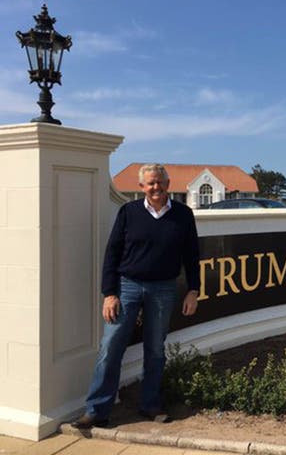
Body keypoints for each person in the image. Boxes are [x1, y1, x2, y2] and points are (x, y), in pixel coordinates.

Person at [72, 163, 200, 428]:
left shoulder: (183, 214)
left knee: (155, 349)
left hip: (164, 288)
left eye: (160, 182)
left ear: (168, 183)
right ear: (141, 187)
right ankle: (97, 410)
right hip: (127, 286)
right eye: (150, 183)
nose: (156, 187)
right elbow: (112, 253)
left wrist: (193, 290)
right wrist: (109, 293)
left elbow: (192, 255)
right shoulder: (128, 212)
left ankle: (150, 405)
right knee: (110, 347)